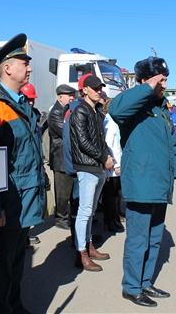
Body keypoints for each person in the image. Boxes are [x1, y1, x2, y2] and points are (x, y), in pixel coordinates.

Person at [0, 33, 45, 314]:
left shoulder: (19, 103)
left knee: (16, 261)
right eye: (24, 63)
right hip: (9, 199)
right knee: (3, 265)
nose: (29, 68)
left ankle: (14, 306)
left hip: (25, 196)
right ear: (7, 68)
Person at [109, 56, 176, 308]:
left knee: (154, 238)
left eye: (165, 79)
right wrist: (147, 87)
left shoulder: (161, 108)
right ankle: (131, 286)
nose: (164, 84)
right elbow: (115, 110)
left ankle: (145, 281)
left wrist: (174, 173)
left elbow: (170, 144)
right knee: (138, 239)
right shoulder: (135, 105)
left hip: (159, 183)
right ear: (144, 81)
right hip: (141, 183)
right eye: (160, 79)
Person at [69, 75, 113, 271]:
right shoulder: (80, 111)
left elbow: (100, 140)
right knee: (84, 212)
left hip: (97, 167)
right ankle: (81, 254)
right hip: (87, 167)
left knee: (91, 211)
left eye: (99, 88)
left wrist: (108, 157)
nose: (99, 91)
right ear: (84, 90)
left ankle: (88, 245)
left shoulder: (96, 112)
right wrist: (104, 157)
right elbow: (83, 142)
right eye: (94, 88)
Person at [20, 82, 48, 246]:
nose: (31, 102)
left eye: (32, 99)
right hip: (25, 168)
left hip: (36, 163)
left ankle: (26, 232)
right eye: (28, 99)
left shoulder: (36, 116)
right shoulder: (21, 117)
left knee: (33, 202)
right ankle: (24, 234)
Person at [48, 83, 77, 230]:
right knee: (62, 191)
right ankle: (60, 218)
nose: (72, 98)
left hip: (68, 157)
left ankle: (70, 217)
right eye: (69, 96)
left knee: (70, 190)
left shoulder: (67, 110)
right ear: (60, 97)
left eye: (73, 95)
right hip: (60, 158)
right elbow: (66, 133)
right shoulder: (55, 113)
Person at [101, 97, 124, 233]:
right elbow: (109, 145)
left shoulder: (114, 122)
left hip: (117, 161)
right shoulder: (108, 122)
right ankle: (108, 219)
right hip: (113, 163)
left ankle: (114, 217)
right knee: (110, 193)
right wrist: (115, 162)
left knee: (115, 193)